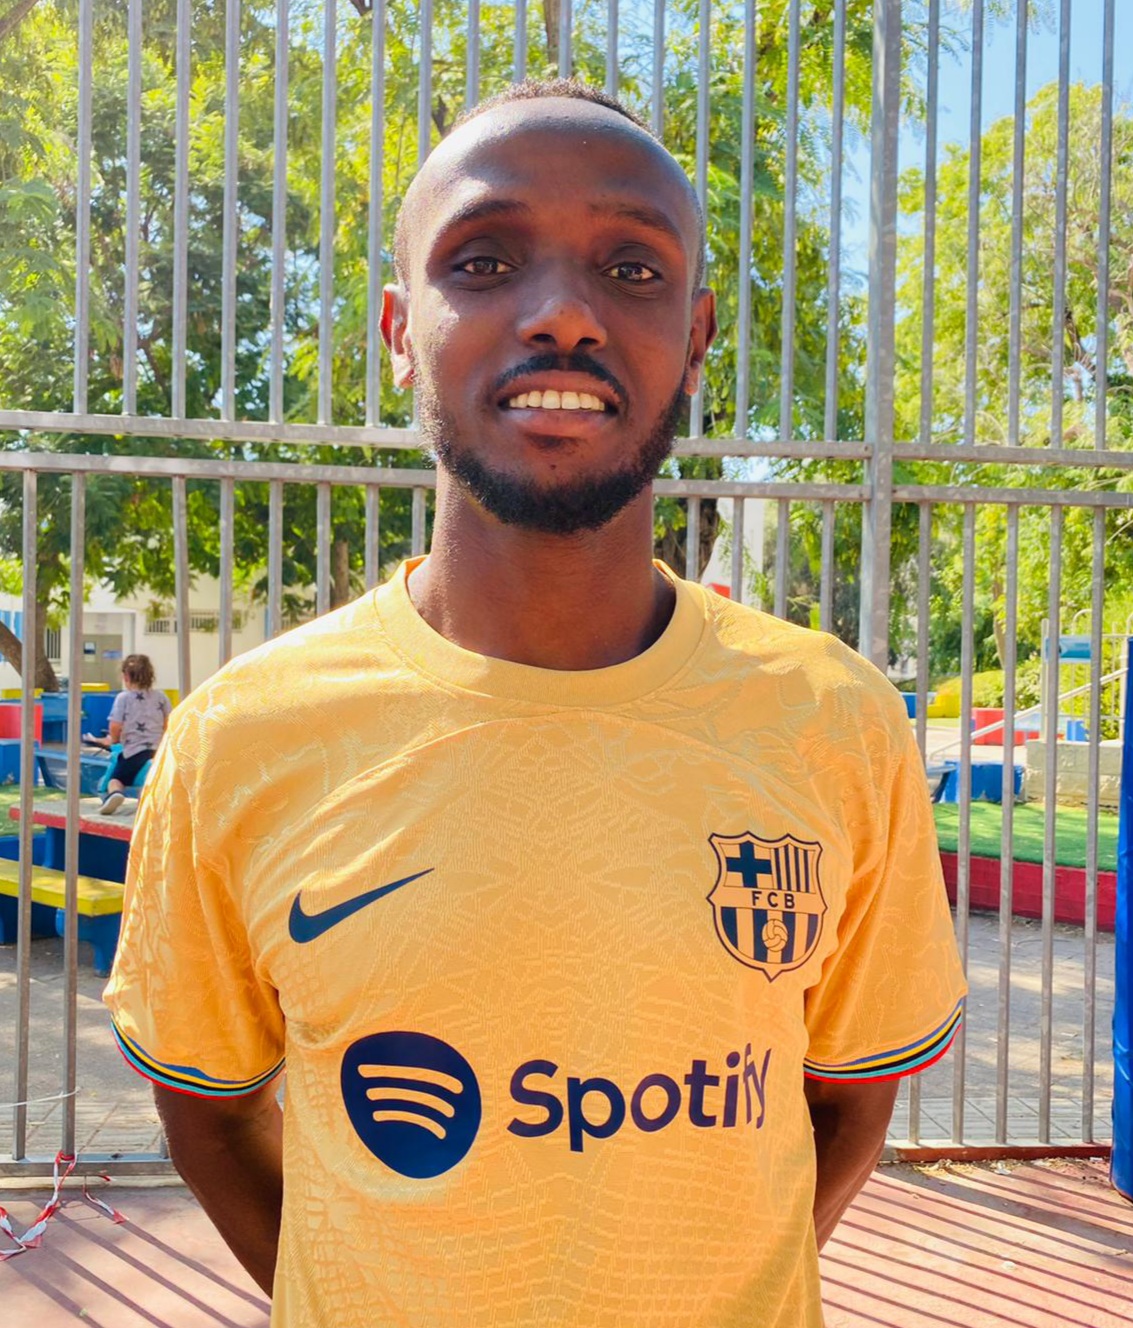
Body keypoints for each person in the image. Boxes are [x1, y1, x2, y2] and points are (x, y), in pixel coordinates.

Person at [104, 81, 966, 1327]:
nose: (562, 312)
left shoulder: (831, 719)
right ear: (398, 330)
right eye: (484, 259)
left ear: (696, 336)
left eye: (631, 268)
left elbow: (843, 1100)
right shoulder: (242, 736)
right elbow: (211, 1118)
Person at [84, 653, 171, 814]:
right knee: (147, 782)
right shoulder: (161, 697)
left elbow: (115, 725)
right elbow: (169, 722)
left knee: (117, 778)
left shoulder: (124, 698)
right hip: (157, 751)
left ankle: (116, 794)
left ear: (126, 677)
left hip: (133, 751)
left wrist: (114, 739)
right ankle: (146, 804)